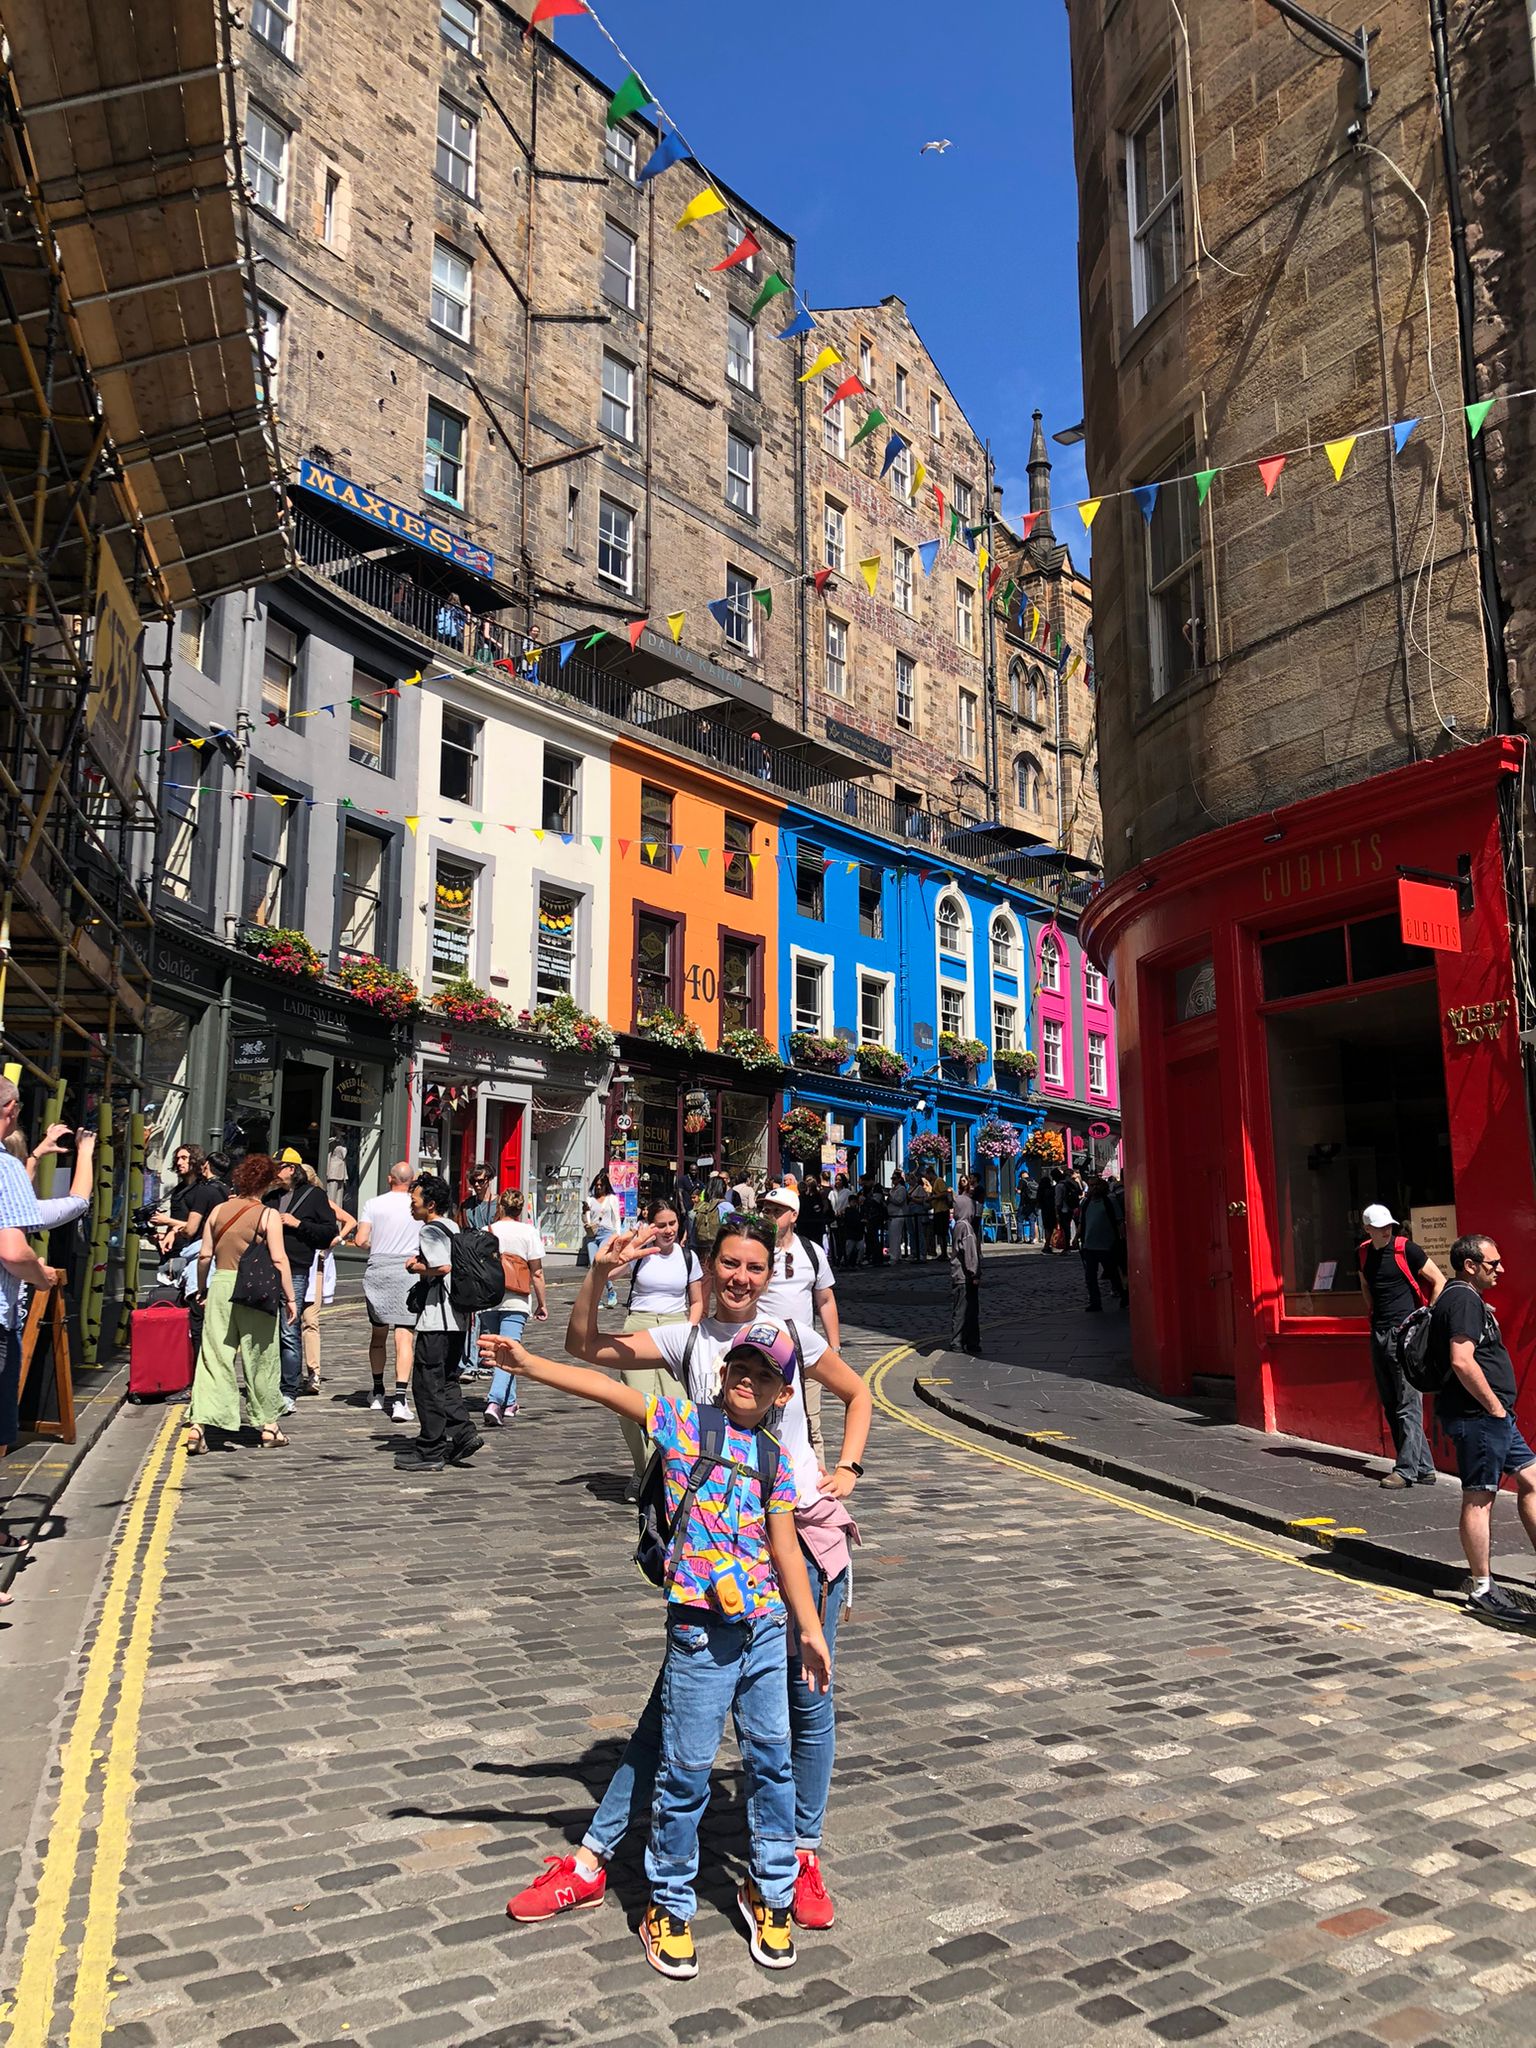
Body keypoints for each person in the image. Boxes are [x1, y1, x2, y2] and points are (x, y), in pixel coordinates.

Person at [505, 1217, 870, 1934]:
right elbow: (585, 1351)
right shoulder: (688, 1341)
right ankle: (593, 1859)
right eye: (729, 1263)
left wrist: (848, 1469)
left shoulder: (792, 1337)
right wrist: (598, 1275)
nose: (741, 1277)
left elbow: (859, 1395)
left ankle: (798, 1856)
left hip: (797, 1542)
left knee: (805, 1707)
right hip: (715, 1561)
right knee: (669, 1714)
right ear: (710, 1265)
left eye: (755, 1266)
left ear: (770, 1273)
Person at [485, 1319, 830, 1979]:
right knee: (686, 1773)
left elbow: (786, 1548)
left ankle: (771, 1891)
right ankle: (668, 1905)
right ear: (724, 1371)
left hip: (763, 1629)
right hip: (700, 1633)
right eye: (740, 1368)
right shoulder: (683, 1423)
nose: (748, 1381)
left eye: (764, 1376)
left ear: (783, 1394)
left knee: (773, 1766)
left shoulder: (775, 1459)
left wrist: (808, 1629)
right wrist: (529, 1366)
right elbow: (606, 1390)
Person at [1429, 1233, 1536, 1621]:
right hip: (1479, 1417)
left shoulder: (1463, 1297)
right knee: (1479, 1497)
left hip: (1495, 1417)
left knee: (1532, 1480)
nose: (1501, 1269)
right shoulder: (1462, 1299)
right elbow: (1461, 1360)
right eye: (1493, 1263)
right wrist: (1493, 1407)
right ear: (1470, 1266)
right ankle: (1482, 1588)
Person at [185, 1154, 299, 1455]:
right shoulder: (268, 1215)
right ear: (267, 1183)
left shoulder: (218, 1211)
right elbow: (279, 1259)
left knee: (214, 1357)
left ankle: (198, 1426)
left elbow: (204, 1256)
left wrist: (202, 1288)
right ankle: (268, 1426)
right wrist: (290, 1298)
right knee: (261, 1356)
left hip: (221, 1284)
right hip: (255, 1289)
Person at [614, 1197, 705, 1482]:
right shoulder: (641, 1253)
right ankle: (644, 1472)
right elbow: (608, 1273)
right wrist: (631, 1249)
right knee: (631, 1403)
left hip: (675, 1327)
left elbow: (697, 1302)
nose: (668, 1230)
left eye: (672, 1224)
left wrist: (689, 1330)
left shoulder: (688, 1258)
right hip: (639, 1325)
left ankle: (666, 1474)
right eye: (661, 1225)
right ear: (650, 1226)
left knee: (675, 1405)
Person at [396, 1173, 481, 1473]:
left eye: (415, 1201)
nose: (411, 1205)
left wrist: (415, 1266)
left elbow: (442, 1266)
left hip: (437, 1319)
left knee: (426, 1384)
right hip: (458, 1319)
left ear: (430, 1204)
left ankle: (430, 1449)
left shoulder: (430, 1230)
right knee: (446, 1380)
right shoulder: (453, 1226)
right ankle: (464, 1433)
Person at [1358, 1200, 1443, 1489]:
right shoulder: (1363, 1254)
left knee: (1408, 1404)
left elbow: (1439, 1280)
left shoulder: (1407, 1249)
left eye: (1389, 1226)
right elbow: (1366, 1286)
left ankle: (1405, 1470)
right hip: (1379, 1333)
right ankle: (1424, 1468)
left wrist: (1425, 1317)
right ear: (1367, 1229)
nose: (1386, 1231)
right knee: (1391, 1403)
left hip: (1405, 1333)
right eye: (1379, 1228)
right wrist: (1373, 1316)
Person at [757, 1186, 839, 1463]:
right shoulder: (755, 1250)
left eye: (777, 1211)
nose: (769, 1216)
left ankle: (817, 1480)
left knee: (810, 1424)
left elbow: (825, 1300)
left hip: (803, 1355)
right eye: (766, 1210)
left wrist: (834, 1347)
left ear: (793, 1215)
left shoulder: (812, 1252)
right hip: (761, 1352)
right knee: (760, 1421)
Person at [267, 1147, 339, 1418]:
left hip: (296, 1268)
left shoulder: (314, 1196)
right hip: (267, 1267)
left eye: (279, 1166)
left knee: (289, 1329)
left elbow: (329, 1233)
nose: (275, 1171)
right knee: (266, 1330)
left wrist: (298, 1224)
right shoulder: (270, 1197)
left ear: (292, 1169)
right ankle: (270, 1385)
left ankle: (289, 1390)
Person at [355, 1161, 420, 1419]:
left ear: (389, 1179)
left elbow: (360, 1240)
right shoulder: (417, 1205)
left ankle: (378, 1391)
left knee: (378, 1335)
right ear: (411, 1181)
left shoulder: (373, 1204)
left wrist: (379, 1245)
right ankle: (400, 1400)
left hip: (379, 1269)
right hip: (408, 1270)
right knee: (404, 1337)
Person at [482, 1188, 547, 1427]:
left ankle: (510, 1403)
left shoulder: (487, 1230)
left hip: (489, 1299)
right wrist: (542, 1303)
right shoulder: (528, 1232)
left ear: (500, 1205)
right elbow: (537, 1273)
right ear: (520, 1209)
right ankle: (495, 1402)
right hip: (516, 1299)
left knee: (499, 1352)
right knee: (508, 1352)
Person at [298, 1166, 357, 1397]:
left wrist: (337, 1239)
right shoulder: (288, 1201)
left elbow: (350, 1220)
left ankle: (313, 1372)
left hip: (316, 1266)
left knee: (310, 1321)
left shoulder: (322, 1202)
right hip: (294, 1264)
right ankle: (291, 1373)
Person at [457, 1161, 498, 1379]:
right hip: (470, 1263)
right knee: (472, 1315)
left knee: (489, 1315)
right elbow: (460, 1230)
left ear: (489, 1180)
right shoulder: (466, 1206)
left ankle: (486, 1361)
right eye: (474, 1182)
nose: (477, 1185)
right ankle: (469, 1362)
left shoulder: (498, 1204)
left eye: (481, 1181)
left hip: (490, 1263)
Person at [1078, 1175, 1127, 1313]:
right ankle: (1095, 1302)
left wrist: (1122, 1238)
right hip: (1089, 1244)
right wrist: (1076, 1238)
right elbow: (1082, 1222)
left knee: (1112, 1274)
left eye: (1096, 1185)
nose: (1093, 1188)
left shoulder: (1109, 1201)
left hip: (1107, 1244)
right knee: (1090, 1277)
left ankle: (1124, 1295)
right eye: (1091, 1186)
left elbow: (1119, 1220)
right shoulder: (1086, 1203)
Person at [949, 1177, 982, 1354]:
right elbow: (970, 1254)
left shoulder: (958, 1226)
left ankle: (966, 1341)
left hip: (958, 1275)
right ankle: (961, 1342)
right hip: (965, 1277)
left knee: (961, 1310)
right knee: (967, 1311)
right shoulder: (967, 1228)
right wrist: (974, 1273)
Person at [584, 1171, 622, 1310]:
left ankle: (610, 1291)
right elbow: (586, 1219)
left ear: (606, 1185)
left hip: (607, 1233)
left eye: (601, 1185)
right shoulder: (590, 1200)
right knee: (594, 1265)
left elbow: (616, 1218)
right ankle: (599, 1297)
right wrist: (584, 1213)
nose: (599, 1187)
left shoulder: (612, 1199)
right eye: (597, 1185)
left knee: (601, 1264)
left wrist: (618, 1235)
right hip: (592, 1234)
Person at [906, 1171, 933, 1261]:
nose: (909, 1182)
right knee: (911, 1232)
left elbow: (922, 1201)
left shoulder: (919, 1188)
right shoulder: (909, 1188)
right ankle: (914, 1252)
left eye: (910, 1179)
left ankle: (922, 1253)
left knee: (919, 1232)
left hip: (917, 1211)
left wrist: (911, 1198)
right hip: (909, 1211)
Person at [885, 1169, 910, 1263]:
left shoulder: (901, 1189)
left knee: (895, 1236)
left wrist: (890, 1197)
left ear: (899, 1179)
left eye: (894, 1179)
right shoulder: (893, 1189)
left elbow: (899, 1201)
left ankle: (894, 1256)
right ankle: (897, 1255)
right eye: (892, 1179)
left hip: (898, 1215)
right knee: (892, 1236)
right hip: (891, 1215)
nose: (893, 1180)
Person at [862, 1175, 887, 1265]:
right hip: (872, 1215)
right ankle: (874, 1257)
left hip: (876, 1216)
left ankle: (877, 1258)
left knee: (874, 1237)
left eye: (866, 1183)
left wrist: (866, 1200)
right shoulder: (870, 1189)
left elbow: (876, 1201)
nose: (865, 1185)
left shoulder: (877, 1189)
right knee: (871, 1237)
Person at [929, 1174, 953, 1259]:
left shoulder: (939, 1180)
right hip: (937, 1210)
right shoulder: (934, 1183)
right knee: (939, 1233)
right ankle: (943, 1253)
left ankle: (944, 1253)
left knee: (942, 1233)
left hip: (942, 1210)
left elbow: (944, 1193)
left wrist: (933, 1197)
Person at [1038, 1169, 1058, 1252]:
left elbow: (1039, 1201)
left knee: (1047, 1228)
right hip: (1052, 1211)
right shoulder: (1051, 1190)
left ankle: (1047, 1244)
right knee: (1051, 1228)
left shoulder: (1040, 1191)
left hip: (1044, 1211)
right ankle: (1048, 1244)